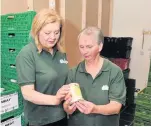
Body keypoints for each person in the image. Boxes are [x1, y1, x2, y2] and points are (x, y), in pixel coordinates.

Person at [16, 9, 70, 126]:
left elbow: (63, 82)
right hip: (40, 121)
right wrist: (55, 100)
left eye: (56, 32)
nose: (53, 37)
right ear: (37, 31)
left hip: (61, 117)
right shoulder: (27, 54)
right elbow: (27, 93)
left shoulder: (60, 53)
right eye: (47, 33)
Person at [63, 26, 126, 126]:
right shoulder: (73, 72)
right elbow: (68, 105)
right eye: (81, 47)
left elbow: (116, 107)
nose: (84, 51)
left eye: (89, 47)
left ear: (100, 46)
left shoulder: (114, 71)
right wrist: (67, 108)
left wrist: (95, 109)